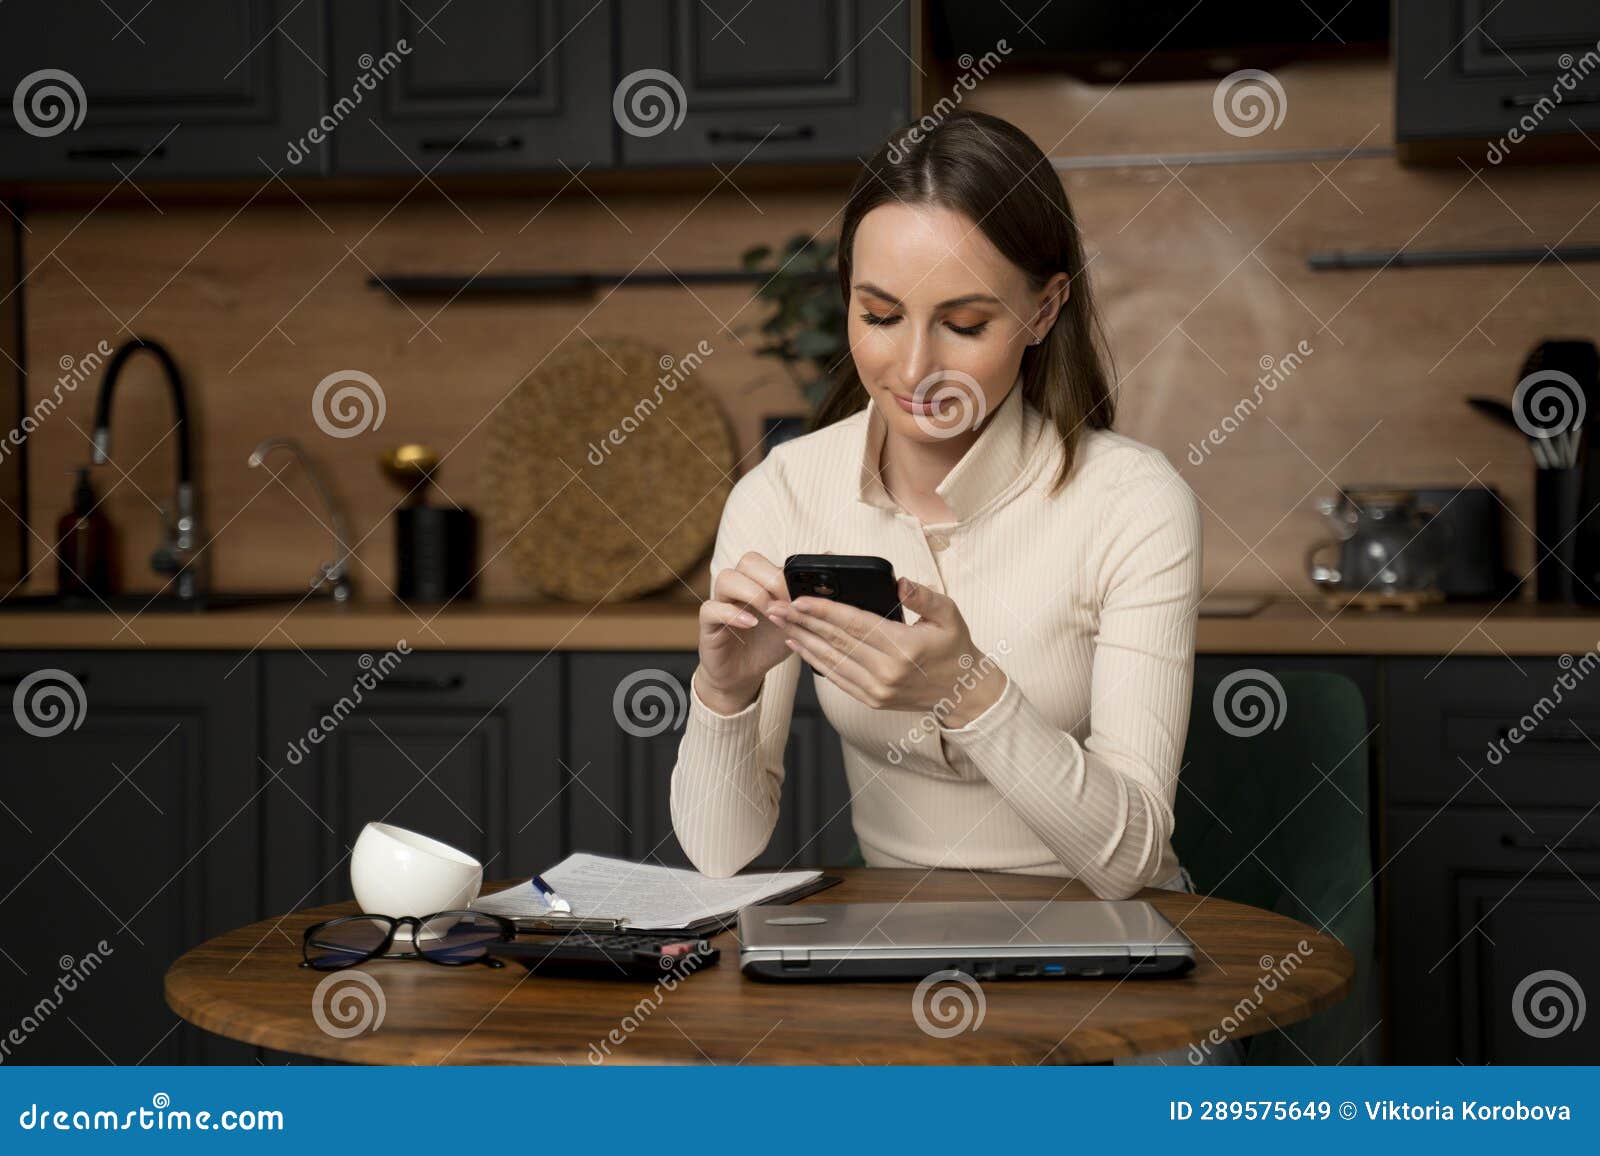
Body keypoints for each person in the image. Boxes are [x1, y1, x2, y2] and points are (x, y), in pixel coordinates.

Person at [670, 110, 1236, 1063]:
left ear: (1044, 311)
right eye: (878, 315)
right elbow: (720, 857)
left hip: (1111, 969)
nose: (914, 369)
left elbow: (1132, 859)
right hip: (887, 965)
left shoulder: (1132, 502)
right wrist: (723, 691)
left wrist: (967, 692)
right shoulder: (785, 492)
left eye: (965, 323)